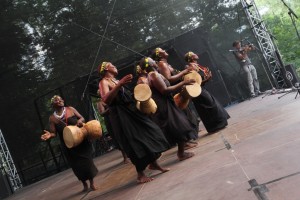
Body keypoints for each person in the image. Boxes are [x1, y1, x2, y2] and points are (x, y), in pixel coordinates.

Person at [98, 61, 170, 183]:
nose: (115, 66)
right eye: (112, 65)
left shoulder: (115, 80)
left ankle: (154, 163)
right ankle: (140, 174)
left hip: (132, 113)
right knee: (134, 142)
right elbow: (105, 99)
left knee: (151, 132)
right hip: (121, 116)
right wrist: (119, 84)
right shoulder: (103, 82)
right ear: (105, 69)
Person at [139, 57, 198, 161]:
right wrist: (183, 83)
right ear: (150, 64)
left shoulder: (154, 74)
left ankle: (181, 152)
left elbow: (169, 82)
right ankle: (180, 154)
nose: (155, 61)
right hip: (163, 104)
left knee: (179, 125)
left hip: (166, 103)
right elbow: (164, 90)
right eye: (153, 60)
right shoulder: (153, 75)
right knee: (179, 126)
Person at [41, 95, 98, 192]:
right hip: (68, 145)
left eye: (60, 99)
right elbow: (54, 133)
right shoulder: (52, 118)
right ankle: (84, 184)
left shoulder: (70, 109)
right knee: (76, 165)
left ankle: (92, 183)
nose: (60, 101)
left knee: (87, 162)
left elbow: (82, 118)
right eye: (57, 100)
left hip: (80, 141)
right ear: (53, 105)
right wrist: (50, 135)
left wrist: (80, 121)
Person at [151, 47, 200, 140]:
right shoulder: (162, 64)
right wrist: (185, 71)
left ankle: (188, 139)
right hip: (175, 92)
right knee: (184, 116)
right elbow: (168, 79)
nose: (165, 51)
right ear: (159, 55)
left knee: (188, 115)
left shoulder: (165, 64)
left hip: (178, 90)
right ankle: (186, 140)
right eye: (163, 51)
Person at [185, 51, 230, 134]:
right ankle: (215, 126)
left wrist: (206, 79)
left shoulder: (196, 65)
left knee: (210, 105)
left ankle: (216, 126)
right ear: (191, 57)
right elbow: (194, 82)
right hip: (197, 91)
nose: (196, 54)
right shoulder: (191, 67)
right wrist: (206, 79)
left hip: (201, 88)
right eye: (194, 54)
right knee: (208, 106)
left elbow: (200, 81)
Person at [96, 97, 129, 164]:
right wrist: (110, 109)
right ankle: (125, 157)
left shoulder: (113, 97)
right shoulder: (100, 103)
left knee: (125, 135)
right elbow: (102, 113)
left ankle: (130, 154)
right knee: (118, 137)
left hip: (119, 117)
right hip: (110, 120)